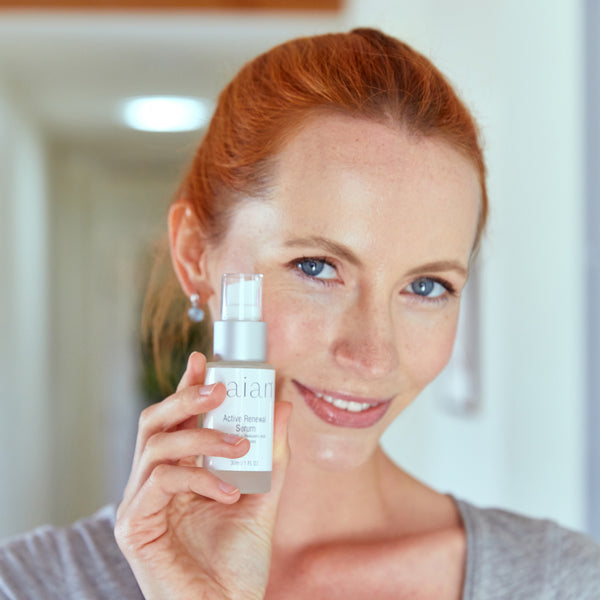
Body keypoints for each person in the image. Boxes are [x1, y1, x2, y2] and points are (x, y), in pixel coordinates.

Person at [1, 27, 598, 600]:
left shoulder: (562, 583)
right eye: (316, 267)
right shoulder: (28, 586)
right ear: (194, 255)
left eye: (427, 286)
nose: (373, 357)